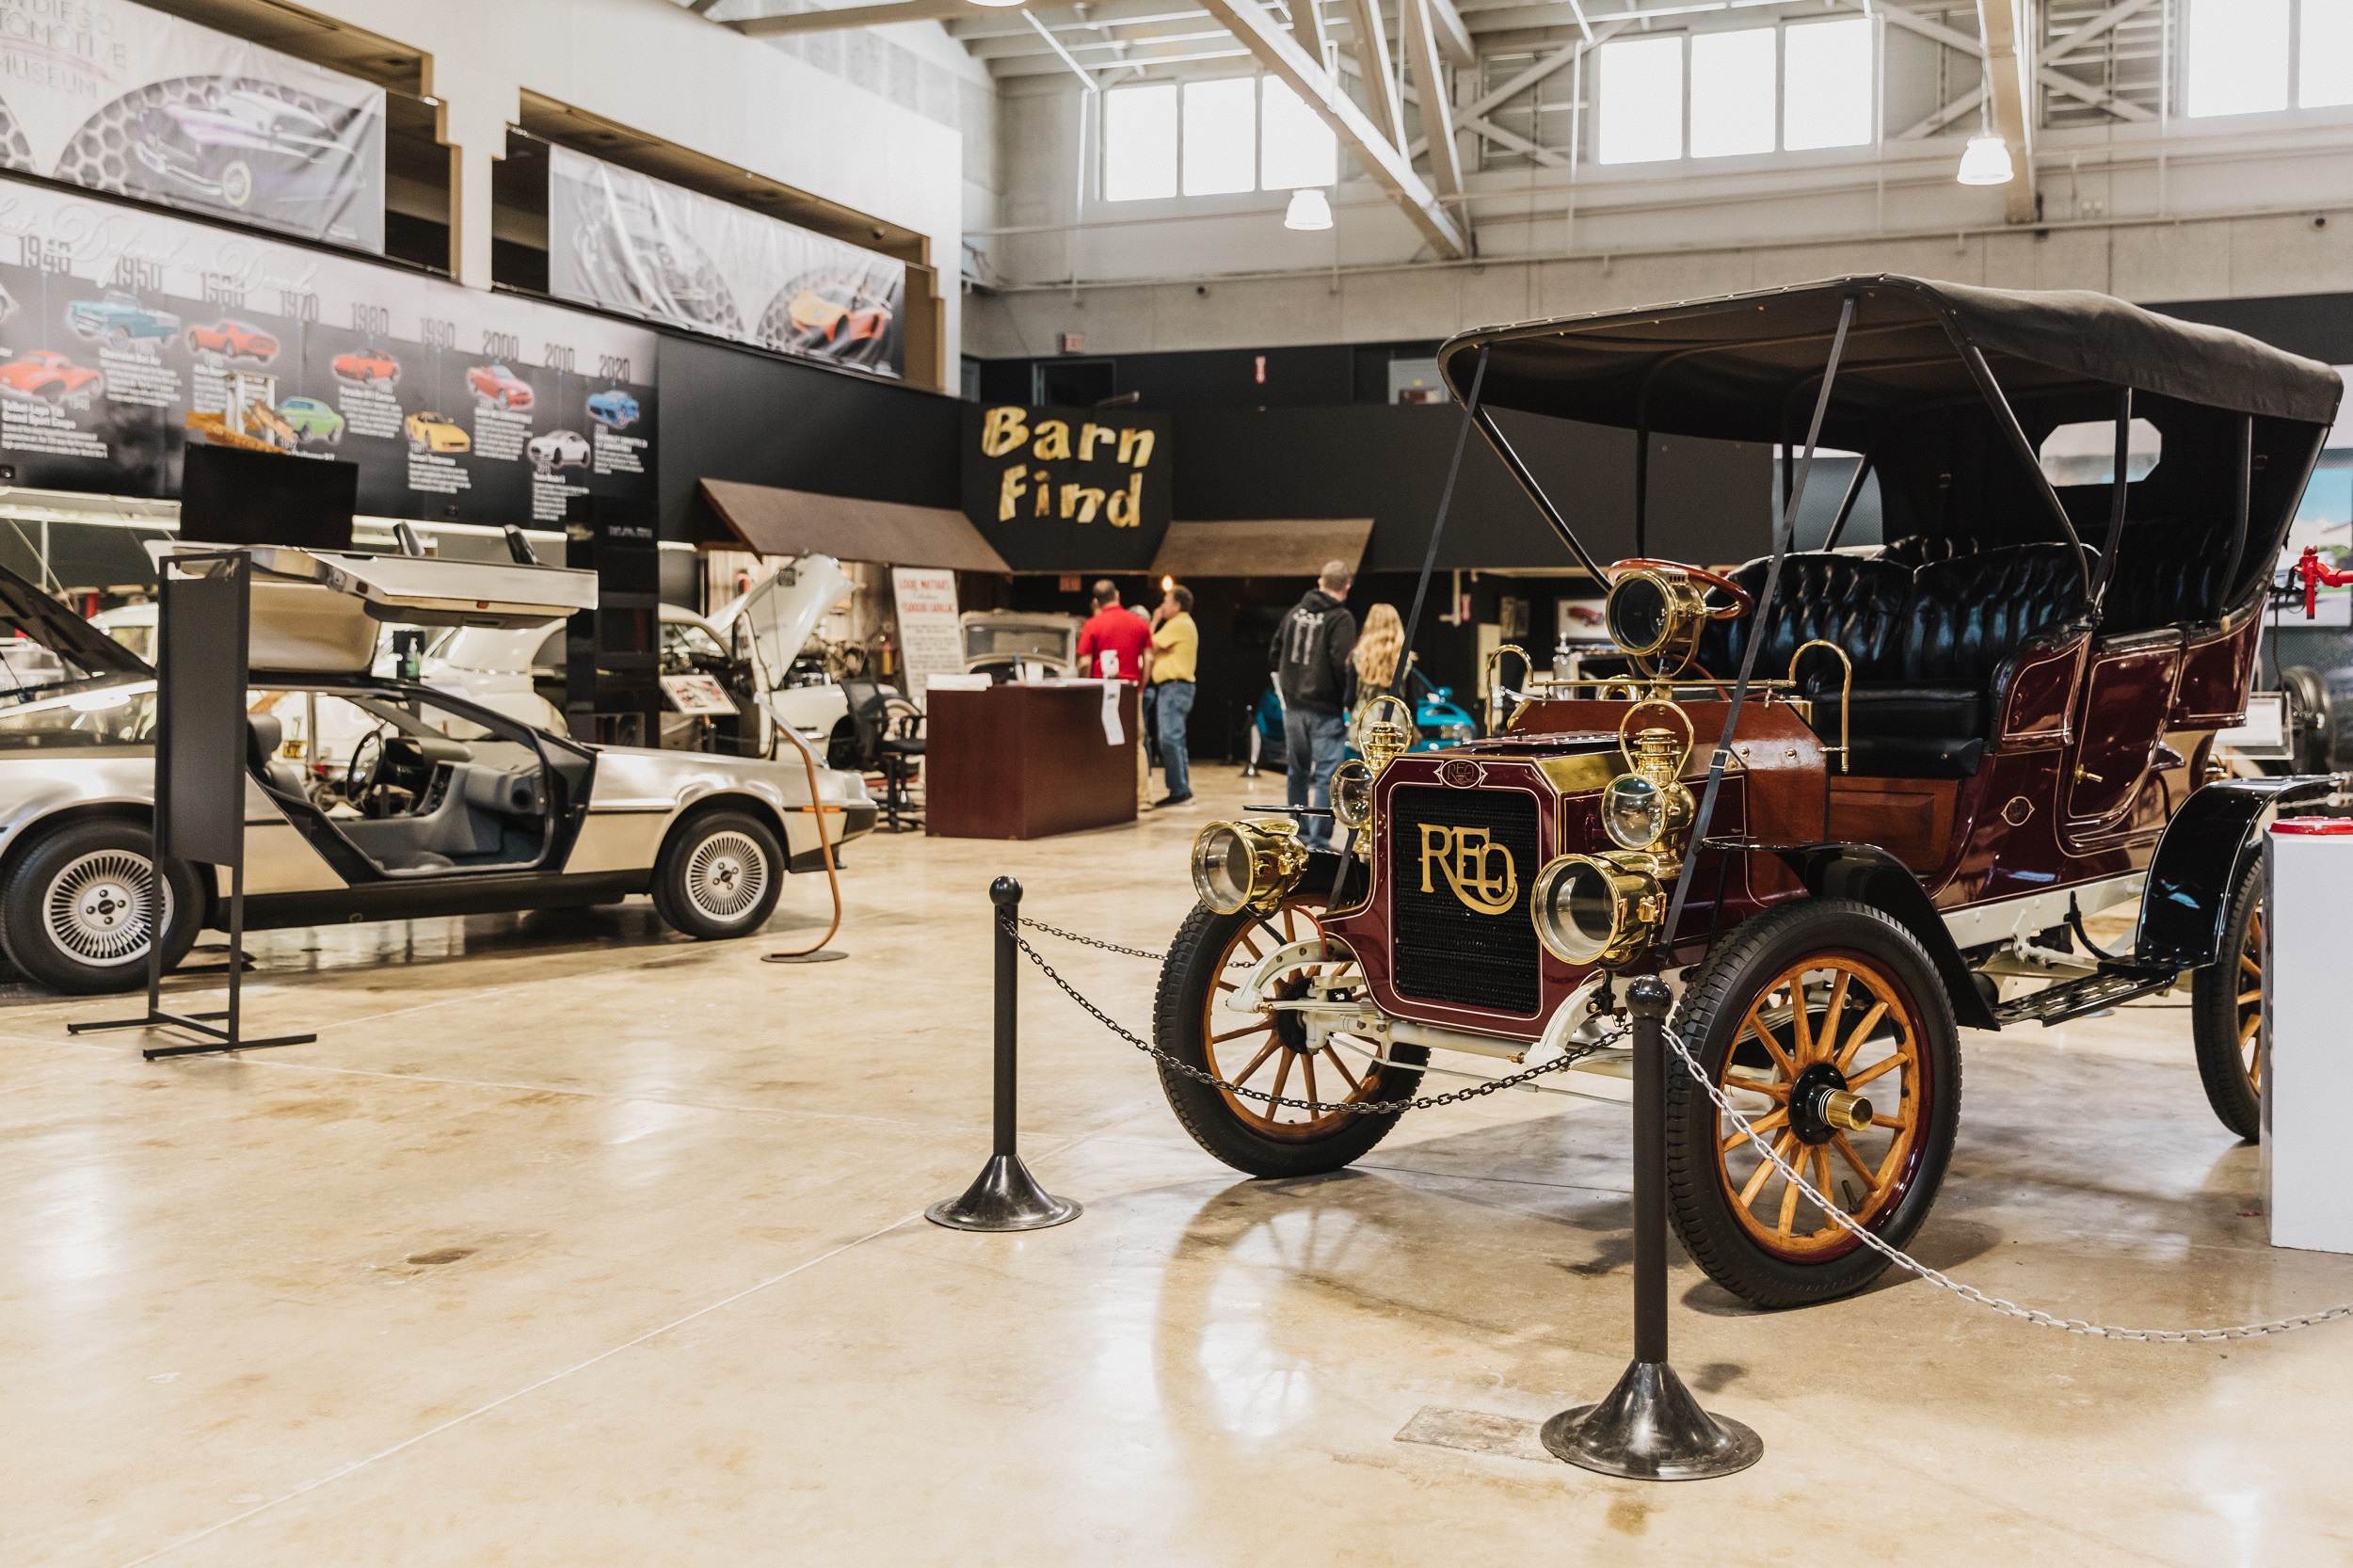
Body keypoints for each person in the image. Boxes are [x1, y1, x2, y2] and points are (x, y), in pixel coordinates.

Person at [1271, 560, 1357, 850]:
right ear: (1347, 587)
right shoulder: (1341, 618)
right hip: (1324, 708)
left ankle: (1298, 833)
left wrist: (1287, 687)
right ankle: (1319, 840)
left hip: (1293, 707)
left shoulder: (1294, 613)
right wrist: (1348, 700)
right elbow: (1342, 663)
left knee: (1296, 770)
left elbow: (1275, 652)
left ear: (1319, 581)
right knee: (1325, 775)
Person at [1076, 579, 1155, 808]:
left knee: (1102, 741)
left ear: (1095, 601)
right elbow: (1149, 659)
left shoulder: (1093, 624)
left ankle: (1105, 797)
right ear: (1117, 595)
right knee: (1136, 743)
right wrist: (1140, 685)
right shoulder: (1140, 624)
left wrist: (1085, 685)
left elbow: (1084, 662)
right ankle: (1143, 799)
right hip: (1131, 689)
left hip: (1102, 691)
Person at [1148, 584, 1198, 807]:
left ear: (1177, 605)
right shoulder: (1182, 624)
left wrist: (1155, 620)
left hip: (1174, 688)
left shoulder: (1178, 623)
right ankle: (1181, 787)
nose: (1162, 606)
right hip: (1177, 688)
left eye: (1165, 602)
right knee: (1175, 739)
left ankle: (1178, 789)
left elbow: (1148, 645)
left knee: (1169, 739)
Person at [1351, 602, 1412, 709]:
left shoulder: (1357, 656)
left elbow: (1349, 698)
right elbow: (1411, 700)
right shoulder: (1404, 659)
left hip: (1364, 718)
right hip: (1395, 721)